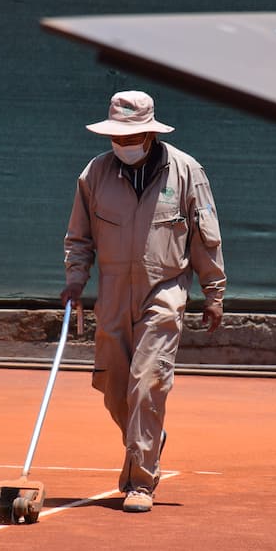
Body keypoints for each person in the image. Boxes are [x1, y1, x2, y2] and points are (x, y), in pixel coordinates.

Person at [60, 90, 226, 513]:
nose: (125, 143)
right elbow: (79, 238)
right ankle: (147, 439)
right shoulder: (94, 175)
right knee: (115, 388)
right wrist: (75, 280)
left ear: (150, 134)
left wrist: (214, 292)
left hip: (164, 290)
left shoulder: (187, 172)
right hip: (113, 293)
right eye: (118, 136)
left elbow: (206, 237)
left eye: (132, 136)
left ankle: (140, 481)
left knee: (147, 382)